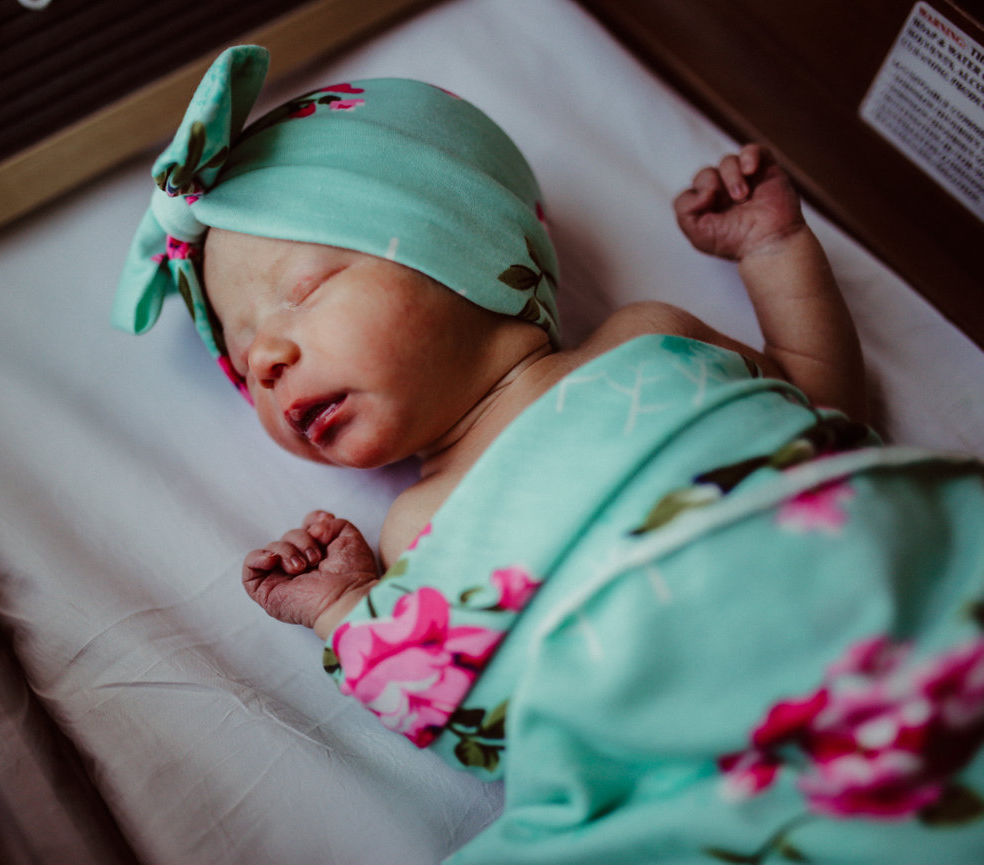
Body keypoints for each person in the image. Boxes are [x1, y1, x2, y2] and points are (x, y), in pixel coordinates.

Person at [116, 45, 984, 865]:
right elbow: (453, 714)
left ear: (465, 249)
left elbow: (821, 410)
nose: (266, 358)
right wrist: (341, 607)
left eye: (303, 290)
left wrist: (774, 251)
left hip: (884, 588)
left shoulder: (648, 337)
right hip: (691, 748)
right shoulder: (414, 528)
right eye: (243, 359)